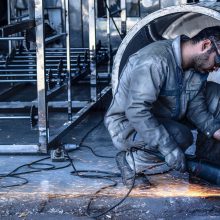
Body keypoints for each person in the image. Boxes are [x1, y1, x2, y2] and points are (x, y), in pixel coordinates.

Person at [104, 26, 220, 188]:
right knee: (180, 136)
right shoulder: (155, 61)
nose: (217, 68)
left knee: (216, 94)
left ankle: (206, 169)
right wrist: (169, 149)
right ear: (205, 45)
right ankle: (131, 163)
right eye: (218, 61)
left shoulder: (196, 66)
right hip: (127, 124)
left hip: (168, 116)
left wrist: (215, 131)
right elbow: (137, 111)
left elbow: (196, 106)